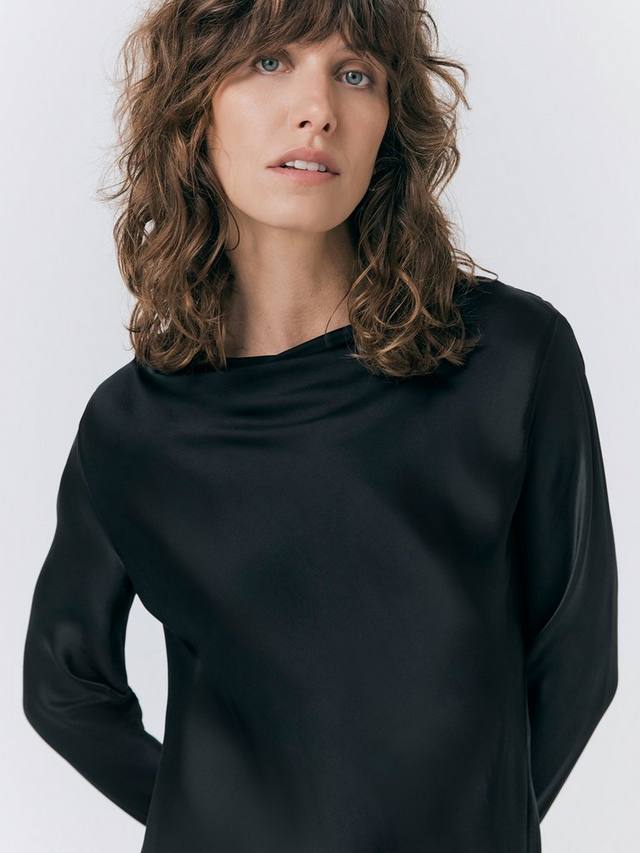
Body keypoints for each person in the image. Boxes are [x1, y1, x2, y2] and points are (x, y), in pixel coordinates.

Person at [22, 1, 618, 852]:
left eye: (355, 73)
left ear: (389, 124)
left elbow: (577, 663)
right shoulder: (130, 427)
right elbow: (64, 687)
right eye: (269, 61)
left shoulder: (509, 356)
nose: (318, 109)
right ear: (195, 107)